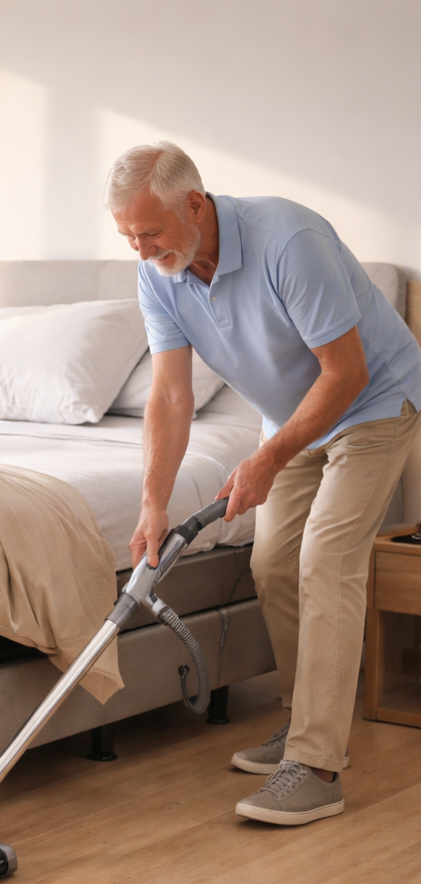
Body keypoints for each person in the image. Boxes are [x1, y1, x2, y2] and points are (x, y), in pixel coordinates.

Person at [105, 143, 421, 826]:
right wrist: (153, 504)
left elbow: (347, 373)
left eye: (150, 233)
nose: (141, 250)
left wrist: (269, 459)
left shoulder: (288, 240)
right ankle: (306, 722)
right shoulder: (160, 274)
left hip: (373, 403)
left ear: (195, 204)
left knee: (326, 560)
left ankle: (317, 765)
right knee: (273, 563)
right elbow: (171, 396)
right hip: (291, 418)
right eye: (128, 236)